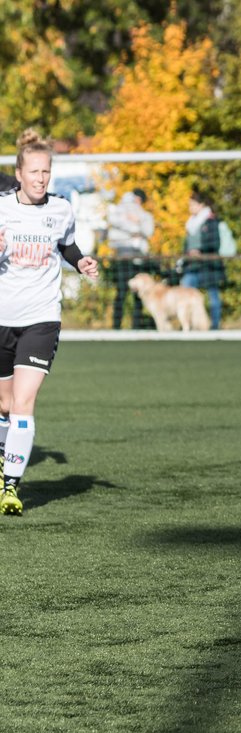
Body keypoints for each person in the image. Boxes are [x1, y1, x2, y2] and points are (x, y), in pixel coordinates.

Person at [0, 128, 99, 515]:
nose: (40, 179)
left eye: (46, 173)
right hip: (1, 318)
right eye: (34, 172)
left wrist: (81, 262)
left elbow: (67, 245)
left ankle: (11, 486)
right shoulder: (2, 208)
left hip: (42, 318)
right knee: (4, 403)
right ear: (19, 174)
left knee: (24, 402)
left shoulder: (61, 209)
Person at [106, 189, 156, 329]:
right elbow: (114, 222)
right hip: (123, 258)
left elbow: (149, 231)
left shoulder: (145, 216)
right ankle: (116, 327)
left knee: (139, 295)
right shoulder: (120, 211)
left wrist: (138, 222)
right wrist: (132, 230)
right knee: (121, 293)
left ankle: (136, 326)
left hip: (139, 259)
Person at [180, 189, 226, 330]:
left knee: (213, 296)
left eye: (192, 204)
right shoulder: (189, 224)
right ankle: (189, 325)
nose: (190, 208)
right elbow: (186, 245)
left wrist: (200, 250)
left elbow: (215, 243)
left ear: (200, 205)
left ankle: (215, 326)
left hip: (208, 265)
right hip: (192, 266)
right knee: (185, 294)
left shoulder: (211, 221)